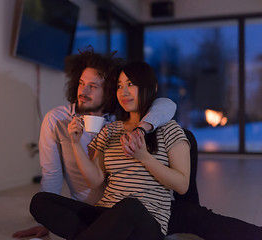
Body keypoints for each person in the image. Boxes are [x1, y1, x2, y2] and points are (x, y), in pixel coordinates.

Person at [12, 48, 177, 238]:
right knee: (40, 202)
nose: (84, 91)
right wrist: (46, 223)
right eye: (81, 83)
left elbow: (166, 104)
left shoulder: (119, 119)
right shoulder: (57, 119)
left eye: (93, 86)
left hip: (126, 209)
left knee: (185, 139)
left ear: (108, 91)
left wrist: (142, 128)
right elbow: (51, 173)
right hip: (89, 210)